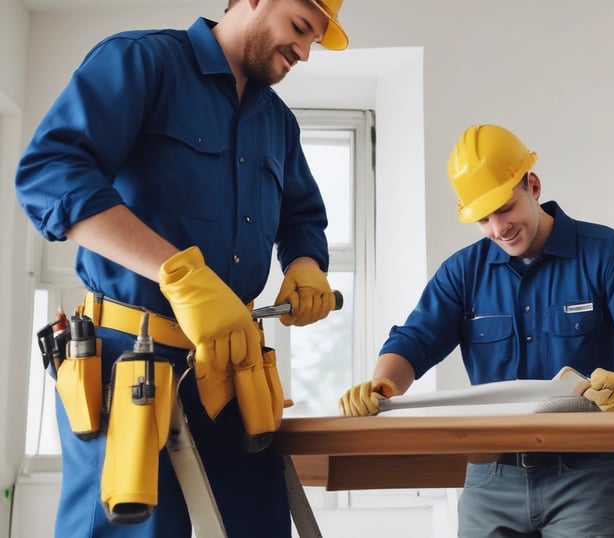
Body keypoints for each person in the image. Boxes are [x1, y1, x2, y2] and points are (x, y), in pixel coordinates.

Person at [15, 0, 348, 536]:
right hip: (132, 364)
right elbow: (50, 175)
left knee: (257, 526)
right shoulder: (142, 62)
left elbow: (303, 214)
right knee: (131, 526)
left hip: (233, 369)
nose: (306, 52)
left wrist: (306, 263)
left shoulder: (277, 122)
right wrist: (178, 274)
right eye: (301, 28)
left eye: (315, 40)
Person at [339, 124, 614, 537]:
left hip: (587, 477)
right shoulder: (462, 272)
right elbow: (413, 342)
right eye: (483, 218)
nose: (497, 228)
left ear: (534, 185)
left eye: (505, 208)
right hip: (489, 480)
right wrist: (382, 383)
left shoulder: (612, 255)